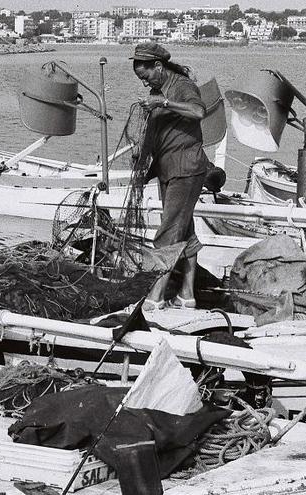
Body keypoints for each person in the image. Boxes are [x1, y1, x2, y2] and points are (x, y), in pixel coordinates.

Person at [130, 42, 209, 311]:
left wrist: (163, 102)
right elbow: (156, 138)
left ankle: (155, 298)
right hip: (167, 169)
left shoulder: (182, 86)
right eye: (140, 79)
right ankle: (187, 296)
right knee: (183, 230)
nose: (144, 84)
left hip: (186, 168)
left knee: (167, 233)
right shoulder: (155, 91)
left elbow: (199, 112)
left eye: (146, 76)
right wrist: (145, 170)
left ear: (158, 66)